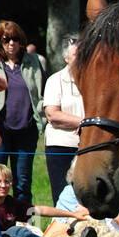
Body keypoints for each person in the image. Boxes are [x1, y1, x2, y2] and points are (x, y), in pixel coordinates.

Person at [0, 20, 45, 204]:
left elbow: (42, 94)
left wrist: (41, 121)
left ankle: (25, 224)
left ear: (21, 41)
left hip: (27, 130)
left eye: (15, 39)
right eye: (6, 39)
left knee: (22, 181)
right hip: (1, 130)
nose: (11, 43)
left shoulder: (35, 62)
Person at [42, 35, 84, 204]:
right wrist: (84, 122)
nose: (82, 58)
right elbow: (52, 114)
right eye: (76, 55)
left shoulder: (93, 79)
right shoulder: (55, 80)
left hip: (87, 145)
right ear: (66, 58)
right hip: (61, 145)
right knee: (63, 195)